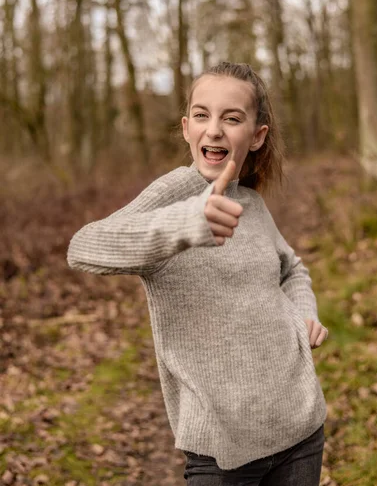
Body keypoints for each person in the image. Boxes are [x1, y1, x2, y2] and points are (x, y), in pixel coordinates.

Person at [67, 61, 329, 485]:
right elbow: (83, 247)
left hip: (300, 427)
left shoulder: (251, 202)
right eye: (203, 115)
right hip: (222, 451)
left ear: (257, 135)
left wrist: (304, 314)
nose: (215, 130)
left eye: (232, 118)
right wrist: (186, 224)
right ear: (187, 127)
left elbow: (292, 270)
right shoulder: (173, 194)